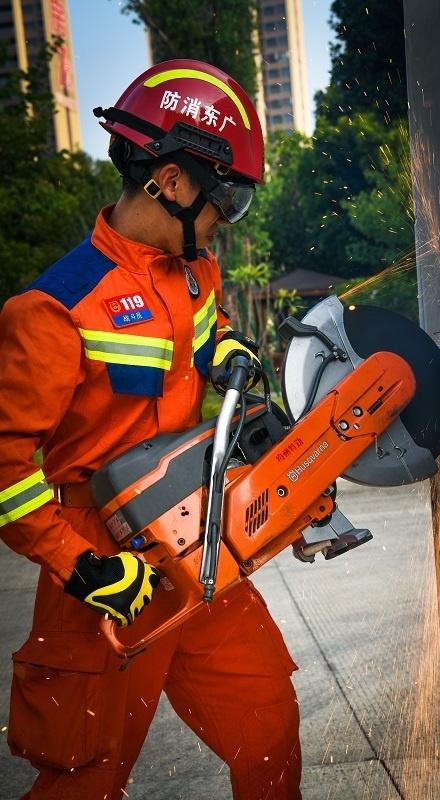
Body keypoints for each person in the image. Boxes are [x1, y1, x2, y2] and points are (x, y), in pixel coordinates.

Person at [0, 59, 302, 800]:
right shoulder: (52, 308)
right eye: (222, 200)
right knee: (85, 778)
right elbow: (4, 468)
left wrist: (225, 346)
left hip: (196, 545)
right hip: (104, 568)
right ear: (169, 181)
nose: (222, 221)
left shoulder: (193, 274)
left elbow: (204, 329)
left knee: (266, 731)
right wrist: (81, 566)